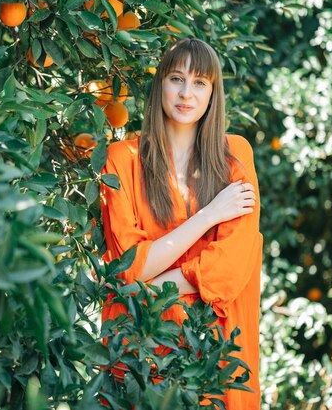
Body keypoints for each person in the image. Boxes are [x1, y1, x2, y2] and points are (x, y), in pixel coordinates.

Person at [100, 37, 263, 409]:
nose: (186, 92)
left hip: (215, 350)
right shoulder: (121, 159)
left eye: (200, 82)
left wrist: (151, 287)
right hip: (140, 346)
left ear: (213, 93)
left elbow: (229, 269)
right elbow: (128, 268)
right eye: (177, 78)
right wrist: (208, 216)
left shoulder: (235, 157)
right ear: (160, 85)